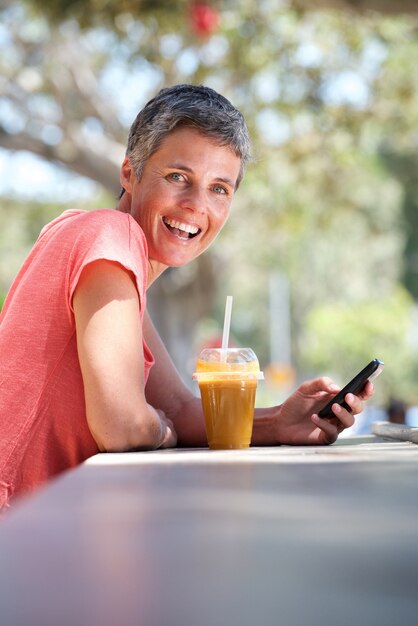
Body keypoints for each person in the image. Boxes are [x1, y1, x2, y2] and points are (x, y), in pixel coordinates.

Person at [0, 84, 374, 511]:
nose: (197, 205)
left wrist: (281, 421)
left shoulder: (104, 254)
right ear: (129, 172)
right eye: (178, 177)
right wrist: (160, 431)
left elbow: (175, 406)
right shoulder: (109, 236)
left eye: (220, 188)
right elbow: (122, 426)